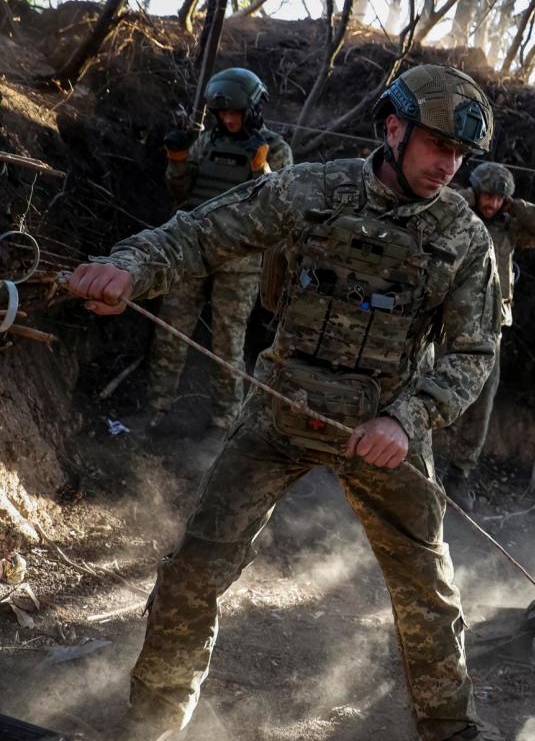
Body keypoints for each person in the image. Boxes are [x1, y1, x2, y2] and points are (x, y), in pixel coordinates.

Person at [68, 64, 502, 741]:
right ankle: (151, 721)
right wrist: (130, 265)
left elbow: (473, 353)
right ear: (394, 128)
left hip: (384, 427)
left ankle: (451, 729)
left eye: (459, 154)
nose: (448, 164)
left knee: (427, 590)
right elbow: (202, 233)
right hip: (280, 410)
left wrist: (407, 417)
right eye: (437, 145)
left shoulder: (465, 238)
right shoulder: (311, 188)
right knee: (194, 569)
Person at [149, 67, 293, 436]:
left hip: (240, 260)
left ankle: (225, 422)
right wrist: (178, 160)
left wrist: (261, 167)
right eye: (222, 113)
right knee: (169, 330)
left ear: (253, 109)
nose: (229, 120)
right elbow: (181, 195)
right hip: (194, 248)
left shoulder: (275, 148)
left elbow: (281, 206)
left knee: (228, 342)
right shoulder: (206, 142)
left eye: (236, 113)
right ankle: (156, 408)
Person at [440, 161, 535, 510]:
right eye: (487, 196)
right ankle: (418, 456)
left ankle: (459, 474)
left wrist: (515, 206)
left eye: (498, 199)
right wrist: (467, 196)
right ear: (475, 191)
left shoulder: (510, 228)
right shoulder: (458, 214)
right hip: (449, 316)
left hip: (491, 324)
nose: (491, 204)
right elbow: (436, 202)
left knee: (482, 401)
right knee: (431, 380)